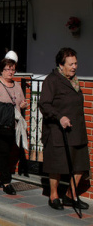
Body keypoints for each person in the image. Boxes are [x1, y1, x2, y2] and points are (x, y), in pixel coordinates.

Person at [39, 48, 90, 210]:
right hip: (57, 131)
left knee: (81, 165)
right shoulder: (52, 80)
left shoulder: (74, 81)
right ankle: (54, 196)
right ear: (61, 65)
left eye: (76, 63)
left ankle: (70, 195)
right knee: (57, 165)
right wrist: (59, 116)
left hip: (77, 130)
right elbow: (44, 104)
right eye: (71, 64)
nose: (74, 67)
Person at [0, 56, 28, 195]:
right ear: (1, 71)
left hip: (12, 127)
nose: (10, 72)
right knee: (3, 153)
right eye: (7, 69)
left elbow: (21, 102)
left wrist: (23, 105)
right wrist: (0, 108)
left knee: (4, 153)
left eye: (12, 69)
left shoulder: (17, 86)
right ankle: (6, 182)